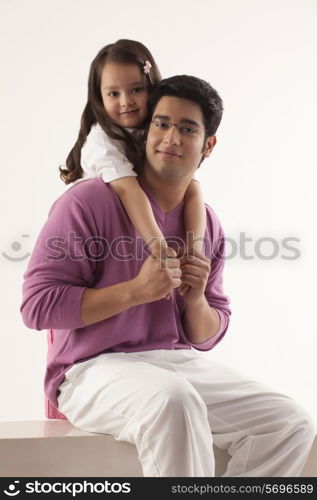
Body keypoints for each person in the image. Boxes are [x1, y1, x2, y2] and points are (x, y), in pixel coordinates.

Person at [20, 75, 315, 477]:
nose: (171, 138)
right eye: (161, 124)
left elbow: (208, 334)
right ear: (144, 132)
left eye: (188, 128)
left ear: (208, 144)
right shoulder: (88, 200)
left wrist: (195, 300)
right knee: (175, 401)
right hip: (90, 368)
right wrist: (134, 292)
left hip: (176, 364)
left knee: (288, 422)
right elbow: (37, 307)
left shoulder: (206, 221)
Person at [60, 39, 206, 296]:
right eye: (114, 94)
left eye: (136, 89)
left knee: (194, 187)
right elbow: (130, 192)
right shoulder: (103, 142)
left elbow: (186, 185)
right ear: (99, 97)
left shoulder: (155, 127)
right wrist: (161, 251)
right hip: (99, 227)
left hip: (136, 226)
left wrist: (193, 250)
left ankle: (194, 252)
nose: (126, 101)